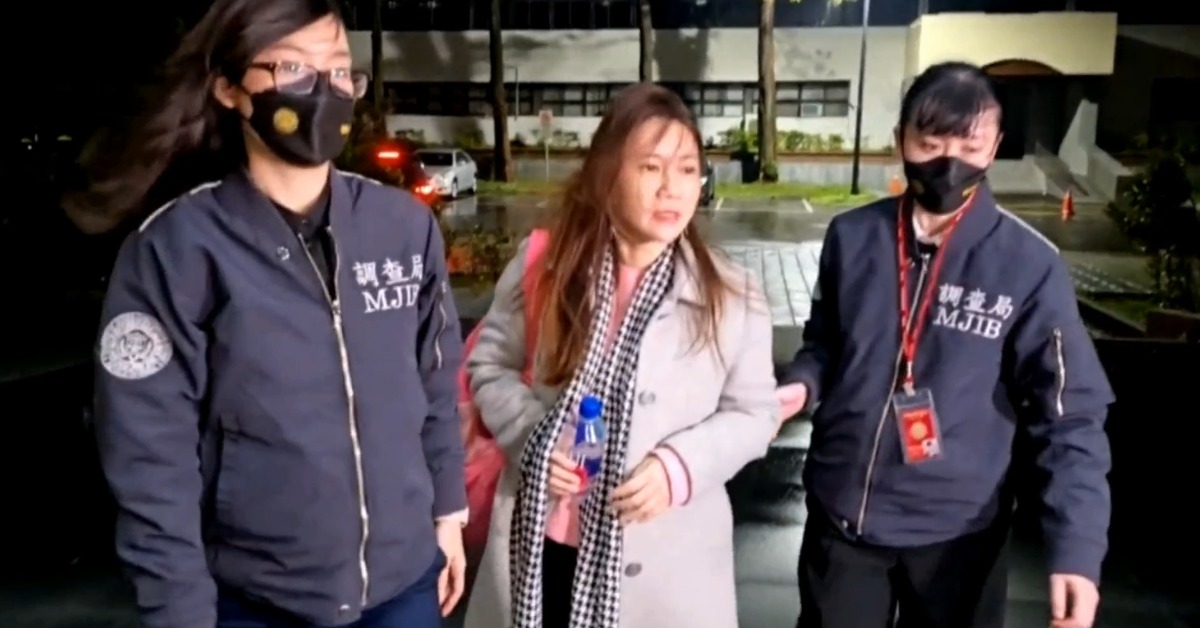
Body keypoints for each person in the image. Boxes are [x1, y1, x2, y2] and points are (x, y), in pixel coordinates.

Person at [84, 1, 467, 626]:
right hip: (254, 601)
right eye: (293, 68)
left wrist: (447, 514)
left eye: (339, 71)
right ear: (229, 89)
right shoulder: (177, 250)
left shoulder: (402, 227)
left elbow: (435, 382)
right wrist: (180, 611)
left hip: (404, 589)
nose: (323, 91)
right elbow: (150, 458)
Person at [777, 61, 1113, 628]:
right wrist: (802, 384)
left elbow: (1069, 414)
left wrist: (1077, 550)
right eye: (929, 144)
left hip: (960, 537)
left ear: (995, 147)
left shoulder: (1028, 264)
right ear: (900, 140)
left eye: (970, 146)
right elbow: (825, 343)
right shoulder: (853, 237)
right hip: (843, 518)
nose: (948, 162)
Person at [462, 83, 779, 628]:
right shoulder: (547, 266)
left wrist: (680, 467)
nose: (672, 188)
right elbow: (487, 365)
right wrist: (533, 437)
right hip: (540, 546)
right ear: (607, 173)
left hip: (665, 568)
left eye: (687, 169)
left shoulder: (732, 292)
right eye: (651, 167)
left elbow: (756, 413)